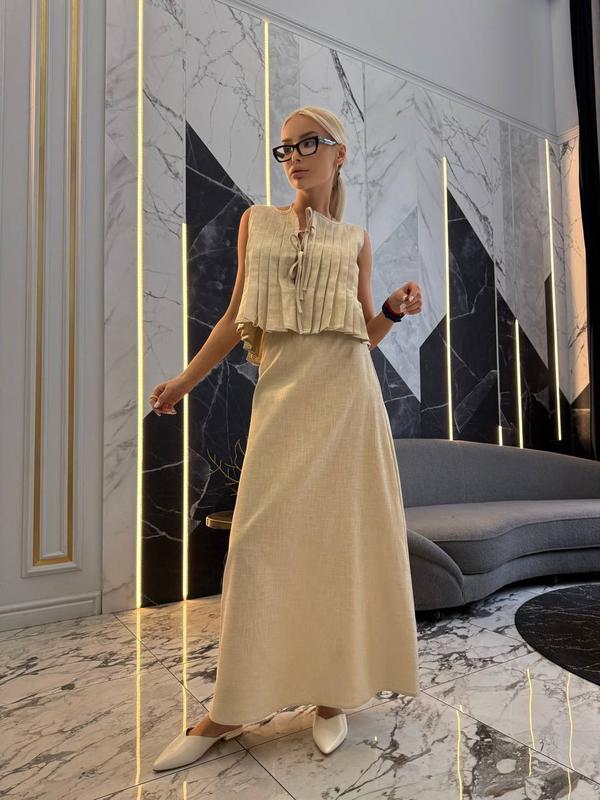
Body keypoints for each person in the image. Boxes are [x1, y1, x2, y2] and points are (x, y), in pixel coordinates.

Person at [150, 105, 423, 771]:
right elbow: (234, 317)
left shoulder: (355, 240)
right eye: (285, 149)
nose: (294, 158)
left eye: (308, 144)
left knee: (339, 547)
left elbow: (361, 333)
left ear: (339, 154)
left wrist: (391, 309)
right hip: (283, 402)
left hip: (349, 404)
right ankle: (230, 709)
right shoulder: (258, 222)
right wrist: (184, 381)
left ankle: (332, 696)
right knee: (257, 548)